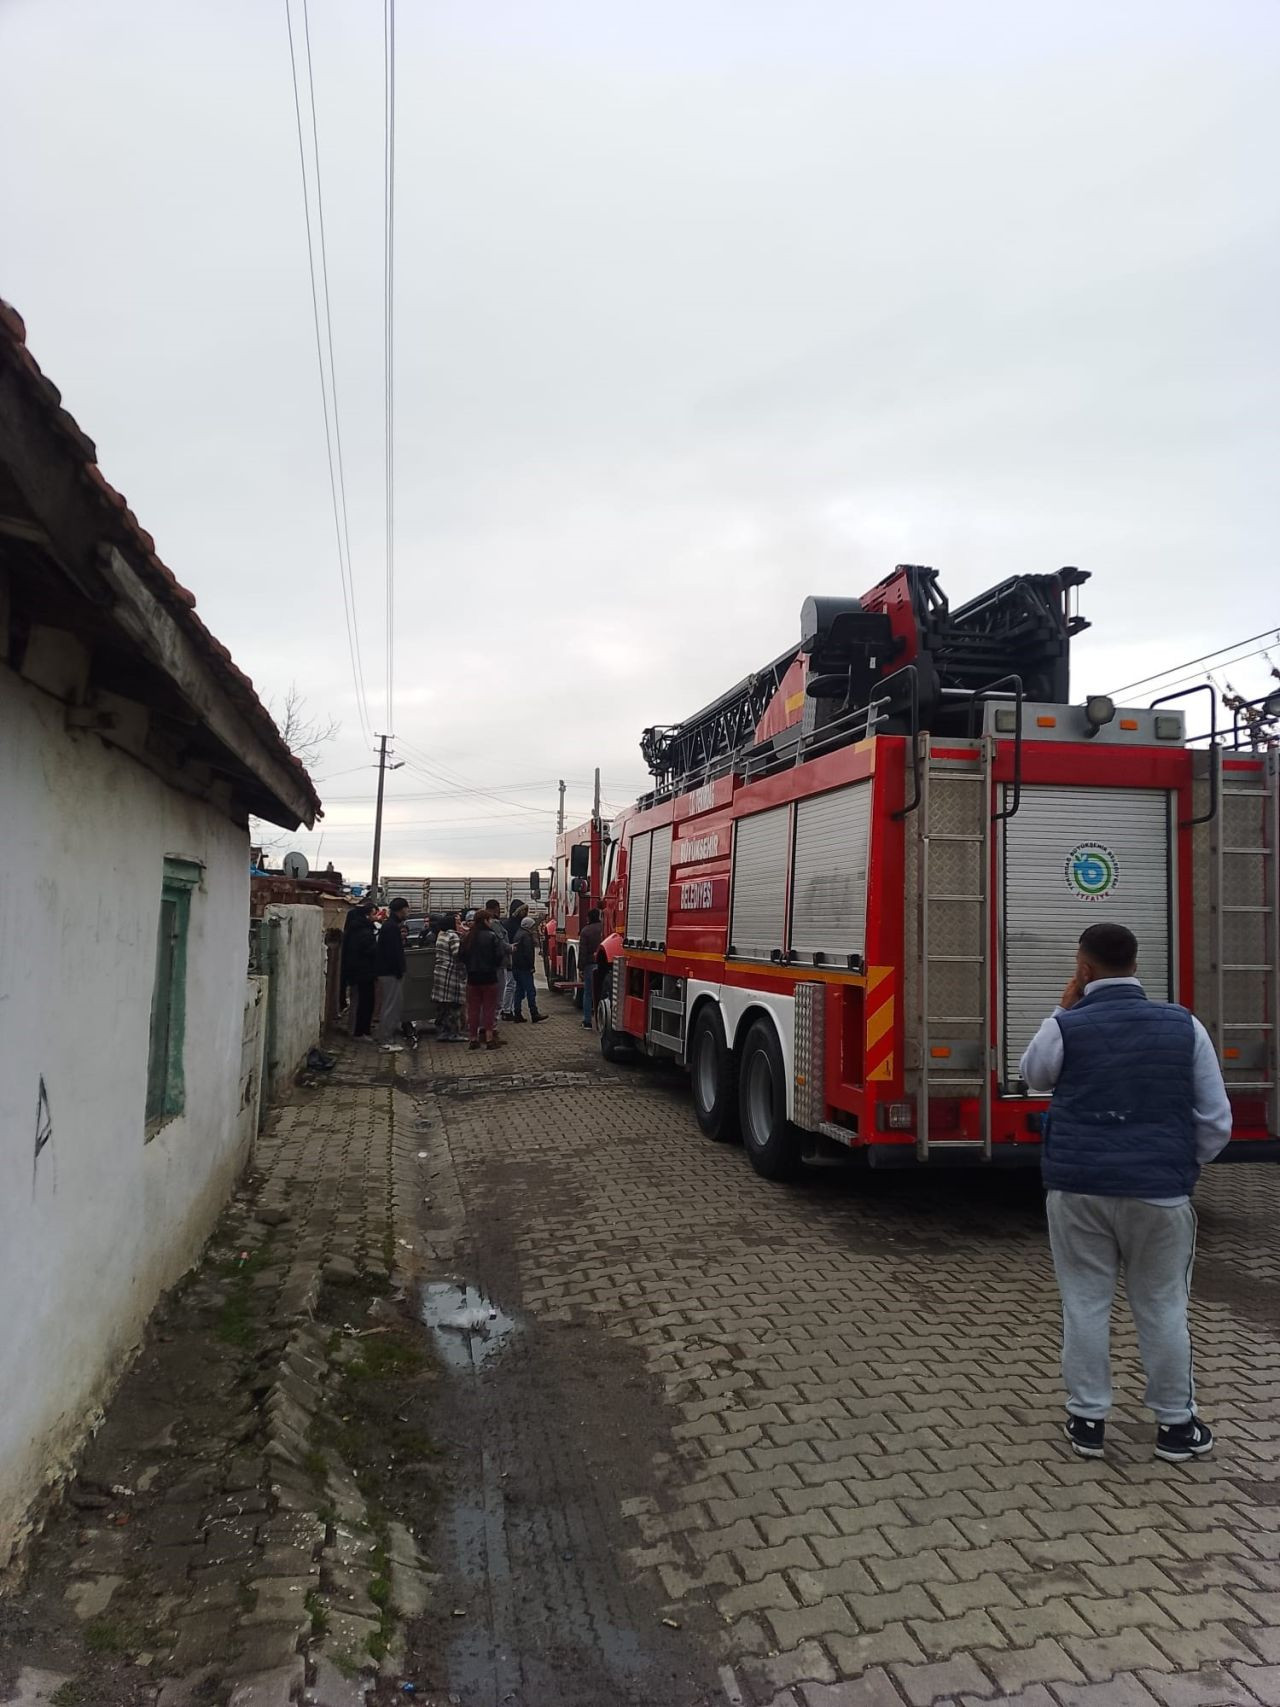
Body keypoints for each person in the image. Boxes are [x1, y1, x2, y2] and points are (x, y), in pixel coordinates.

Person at [1020, 921, 1231, 1464]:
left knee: (1084, 1303)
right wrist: (1179, 1166)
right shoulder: (1185, 1026)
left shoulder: (1066, 1026)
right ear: (1136, 965)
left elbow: (1034, 1076)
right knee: (1163, 1306)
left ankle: (1088, 1421)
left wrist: (1063, 1007)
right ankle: (1176, 1427)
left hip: (1077, 1191)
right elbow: (1216, 1121)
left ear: (1083, 968)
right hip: (1159, 1194)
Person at [460, 908, 506, 1049]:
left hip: (472, 978)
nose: (491, 922)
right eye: (490, 919)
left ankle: (473, 1039)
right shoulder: (492, 936)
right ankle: (489, 1039)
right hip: (489, 977)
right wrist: (493, 965)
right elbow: (499, 956)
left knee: (473, 1009)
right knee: (489, 1009)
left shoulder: (468, 937)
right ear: (485, 921)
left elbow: (461, 955)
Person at [374, 896, 410, 1053]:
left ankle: (386, 1038)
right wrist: (398, 970)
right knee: (391, 1006)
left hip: (388, 971)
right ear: (401, 910)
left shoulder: (390, 926)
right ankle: (386, 1041)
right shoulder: (391, 927)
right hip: (390, 973)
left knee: (390, 1005)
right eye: (407, 909)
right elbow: (392, 952)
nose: (408, 912)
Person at [340, 900, 378, 1041]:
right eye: (373, 914)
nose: (376, 917)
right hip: (363, 973)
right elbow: (370, 950)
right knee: (363, 1003)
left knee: (360, 1001)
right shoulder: (363, 931)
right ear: (367, 916)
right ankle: (359, 1032)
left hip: (358, 972)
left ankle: (357, 1030)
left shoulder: (356, 929)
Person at [431, 910, 465, 1041]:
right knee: (453, 1005)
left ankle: (442, 1032)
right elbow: (458, 954)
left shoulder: (441, 935)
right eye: (457, 923)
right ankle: (453, 1033)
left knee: (442, 1006)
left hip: (440, 973)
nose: (459, 925)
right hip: (451, 974)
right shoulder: (453, 936)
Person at [510, 912, 548, 1024]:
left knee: (519, 990)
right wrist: (531, 966)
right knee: (531, 991)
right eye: (532, 926)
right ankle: (534, 1013)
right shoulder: (526, 936)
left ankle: (517, 1013)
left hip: (516, 967)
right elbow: (528, 953)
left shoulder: (518, 933)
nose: (533, 929)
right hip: (524, 968)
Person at [577, 906, 605, 1029]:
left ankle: (587, 1021)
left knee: (588, 993)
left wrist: (581, 968)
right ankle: (602, 1021)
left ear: (589, 918)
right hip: (604, 964)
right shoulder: (604, 928)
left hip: (590, 964)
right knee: (602, 992)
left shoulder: (585, 931)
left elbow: (582, 952)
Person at [501, 900, 527, 1019]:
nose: (525, 913)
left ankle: (508, 1008)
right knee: (511, 984)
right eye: (523, 910)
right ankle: (506, 1010)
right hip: (512, 956)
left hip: (513, 956)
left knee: (512, 984)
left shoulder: (508, 924)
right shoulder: (514, 926)